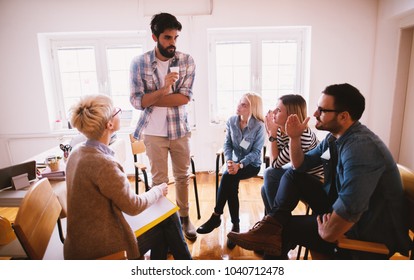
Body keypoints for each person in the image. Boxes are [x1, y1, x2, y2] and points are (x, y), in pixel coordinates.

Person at [228, 83, 411, 259]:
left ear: (343, 116)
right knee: (293, 175)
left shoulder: (360, 148)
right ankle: (271, 225)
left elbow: (351, 208)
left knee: (284, 229)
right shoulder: (335, 138)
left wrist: (329, 233)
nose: (315, 113)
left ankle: (270, 232)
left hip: (362, 232)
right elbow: (300, 165)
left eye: (322, 110)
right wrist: (294, 137)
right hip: (341, 210)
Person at [64, 94, 192, 260]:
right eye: (116, 110)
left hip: (79, 245)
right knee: (168, 218)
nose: (119, 111)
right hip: (101, 250)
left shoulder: (77, 151)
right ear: (109, 124)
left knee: (165, 221)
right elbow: (134, 206)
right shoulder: (103, 163)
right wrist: (158, 190)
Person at [129, 13, 197, 240]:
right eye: (167, 38)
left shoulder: (186, 61)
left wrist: (151, 98)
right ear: (154, 37)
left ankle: (184, 218)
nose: (173, 43)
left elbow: (184, 98)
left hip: (180, 130)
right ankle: (165, 225)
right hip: (152, 133)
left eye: (175, 37)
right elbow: (136, 101)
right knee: (159, 182)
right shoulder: (138, 63)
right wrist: (164, 90)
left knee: (182, 177)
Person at [197, 92, 265, 249]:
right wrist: (229, 160)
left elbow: (255, 152)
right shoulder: (232, 121)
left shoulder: (259, 126)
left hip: (251, 165)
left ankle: (216, 216)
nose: (238, 106)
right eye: (239, 102)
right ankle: (235, 227)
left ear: (252, 108)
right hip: (233, 162)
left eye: (244, 105)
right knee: (231, 181)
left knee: (228, 177)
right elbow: (227, 144)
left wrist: (239, 165)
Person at [262, 94, 323, 214]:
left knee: (269, 173)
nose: (273, 112)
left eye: (278, 110)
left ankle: (277, 222)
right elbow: (276, 160)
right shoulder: (281, 129)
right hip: (299, 170)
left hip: (313, 177)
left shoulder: (303, 135)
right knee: (264, 189)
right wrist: (273, 134)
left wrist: (272, 135)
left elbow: (275, 164)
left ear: (290, 115)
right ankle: (275, 224)